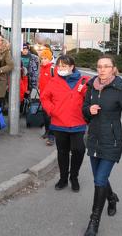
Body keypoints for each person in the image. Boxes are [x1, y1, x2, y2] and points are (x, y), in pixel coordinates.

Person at [82, 55, 122, 236]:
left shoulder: (120, 88)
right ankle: (111, 198)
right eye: (99, 66)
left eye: (106, 66)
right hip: (93, 139)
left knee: (99, 180)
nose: (102, 69)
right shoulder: (91, 87)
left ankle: (94, 221)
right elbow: (84, 111)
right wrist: (88, 111)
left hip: (112, 141)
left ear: (113, 68)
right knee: (101, 178)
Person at [41, 55, 89, 192]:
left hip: (77, 122)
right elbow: (45, 98)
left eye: (65, 66)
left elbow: (90, 98)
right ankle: (63, 178)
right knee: (62, 152)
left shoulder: (83, 81)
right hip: (59, 123)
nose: (61, 68)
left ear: (72, 67)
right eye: (59, 65)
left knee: (78, 150)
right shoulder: (54, 81)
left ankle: (74, 177)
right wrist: (52, 110)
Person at [38, 48, 55, 146]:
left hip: (51, 98)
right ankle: (47, 132)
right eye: (42, 58)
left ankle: (52, 136)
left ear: (49, 59)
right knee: (45, 116)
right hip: (43, 97)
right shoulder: (42, 68)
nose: (43, 60)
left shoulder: (53, 69)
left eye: (45, 58)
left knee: (51, 117)